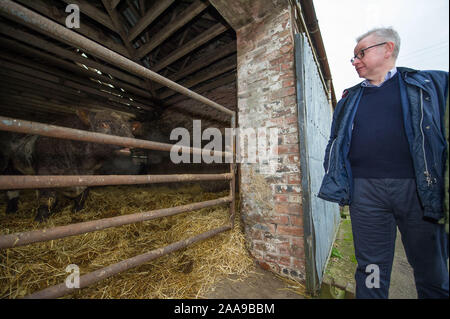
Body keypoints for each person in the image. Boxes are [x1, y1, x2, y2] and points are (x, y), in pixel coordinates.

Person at [318, 27, 449, 299]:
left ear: (388, 49)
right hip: (365, 194)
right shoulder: (349, 98)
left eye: (360, 54)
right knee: (372, 267)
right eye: (353, 57)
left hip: (419, 191)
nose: (355, 61)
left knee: (431, 267)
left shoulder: (431, 84)